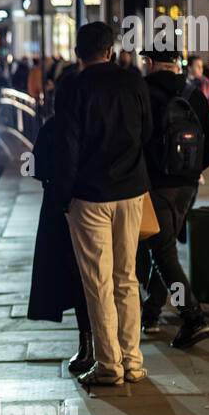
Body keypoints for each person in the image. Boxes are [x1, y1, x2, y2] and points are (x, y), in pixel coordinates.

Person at [57, 22, 152, 386]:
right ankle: (133, 360)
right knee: (126, 276)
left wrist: (63, 197)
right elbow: (147, 132)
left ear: (79, 53)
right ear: (110, 50)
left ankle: (109, 364)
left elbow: (67, 146)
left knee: (98, 280)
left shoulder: (72, 88)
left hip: (90, 194)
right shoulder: (134, 82)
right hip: (131, 189)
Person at [139, 47, 209, 347]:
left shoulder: (143, 92)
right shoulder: (193, 93)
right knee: (164, 250)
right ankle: (150, 312)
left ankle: (193, 317)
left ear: (150, 62)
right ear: (176, 63)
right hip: (187, 187)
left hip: (156, 186)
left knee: (163, 253)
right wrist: (192, 169)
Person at [28, 67, 93, 374]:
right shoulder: (92, 125)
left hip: (60, 208)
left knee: (75, 278)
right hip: (93, 203)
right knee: (95, 277)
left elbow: (37, 169)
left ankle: (87, 344)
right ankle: (100, 343)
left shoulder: (53, 127)